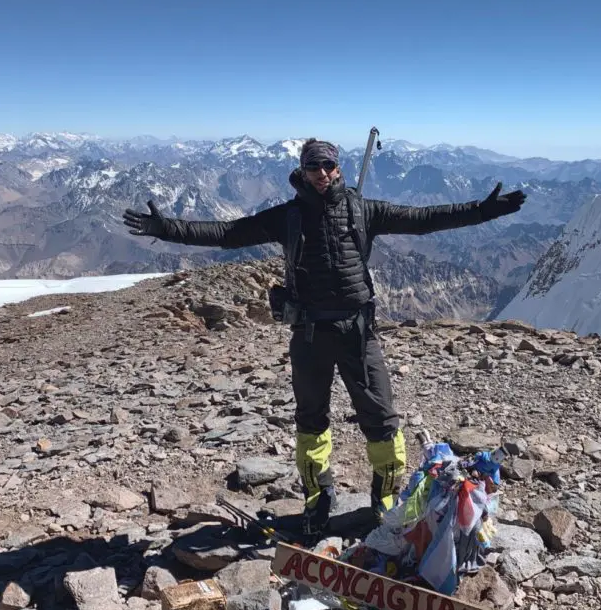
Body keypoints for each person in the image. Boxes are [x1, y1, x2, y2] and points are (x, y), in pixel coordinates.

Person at [123, 138, 526, 539]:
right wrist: (166, 228)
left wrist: (483, 211)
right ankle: (318, 498)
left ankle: (383, 498)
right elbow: (228, 233)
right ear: (302, 170)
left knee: (383, 421)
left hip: (358, 333)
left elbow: (424, 219)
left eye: (328, 166)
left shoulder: (363, 209)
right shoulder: (289, 216)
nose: (322, 174)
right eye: (314, 167)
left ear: (339, 168)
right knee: (311, 421)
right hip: (310, 335)